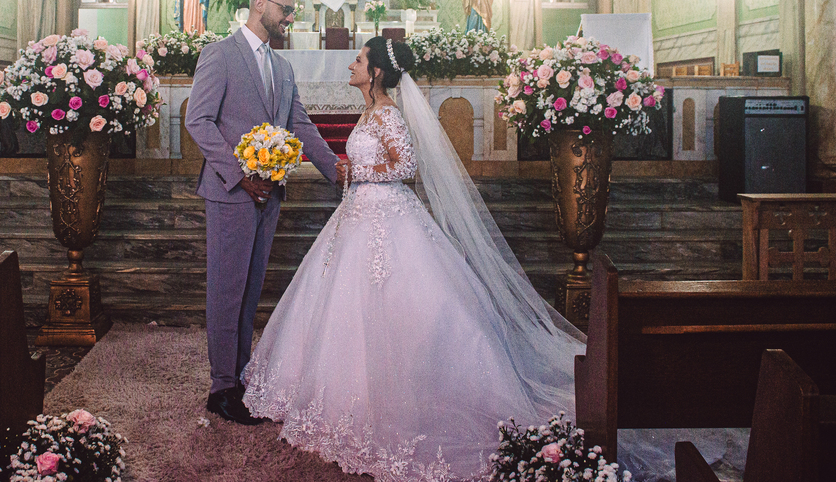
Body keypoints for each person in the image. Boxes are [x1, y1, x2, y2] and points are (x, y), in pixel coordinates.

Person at [243, 36, 586, 481]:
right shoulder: (369, 111)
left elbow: (405, 167)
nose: (352, 65)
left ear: (377, 72)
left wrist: (355, 171)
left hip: (386, 219)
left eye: (360, 60)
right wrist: (352, 174)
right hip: (359, 216)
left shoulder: (387, 113)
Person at [185, 0, 341, 427]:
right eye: (286, 9)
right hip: (232, 193)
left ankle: (239, 376)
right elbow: (199, 121)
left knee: (250, 291)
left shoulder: (283, 68)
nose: (290, 18)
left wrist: (338, 171)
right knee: (226, 290)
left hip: (269, 195)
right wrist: (239, 174)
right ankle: (221, 388)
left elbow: (300, 125)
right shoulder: (219, 55)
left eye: (291, 12)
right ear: (259, 5)